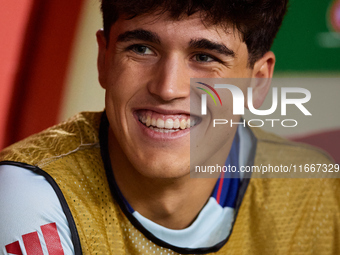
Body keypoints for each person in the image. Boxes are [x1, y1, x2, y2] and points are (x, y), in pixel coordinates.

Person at [0, 0, 339, 254]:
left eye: (205, 57)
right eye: (142, 48)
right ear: (103, 59)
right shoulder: (27, 192)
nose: (168, 88)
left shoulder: (318, 194)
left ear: (258, 81)